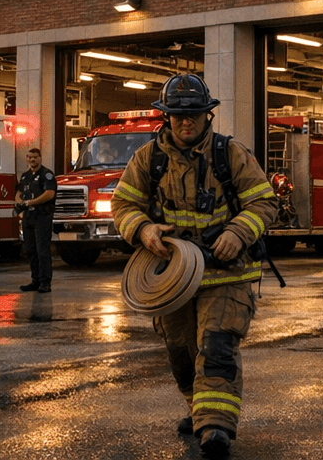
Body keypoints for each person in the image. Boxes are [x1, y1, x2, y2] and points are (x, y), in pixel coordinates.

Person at [112, 73, 278, 459]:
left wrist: (238, 232)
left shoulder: (230, 154)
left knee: (217, 346)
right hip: (174, 279)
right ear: (166, 117)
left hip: (227, 273)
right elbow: (122, 206)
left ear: (208, 115)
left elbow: (265, 202)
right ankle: (198, 407)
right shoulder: (147, 159)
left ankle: (216, 428)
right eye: (177, 116)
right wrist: (144, 229)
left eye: (195, 115)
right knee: (181, 353)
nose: (186, 122)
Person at [16, 147, 57, 292]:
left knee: (42, 251)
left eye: (35, 157)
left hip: (42, 216)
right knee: (30, 250)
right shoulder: (25, 176)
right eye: (29, 157)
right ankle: (35, 280)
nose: (32, 160)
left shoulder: (47, 175)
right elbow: (19, 192)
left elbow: (49, 194)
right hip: (28, 217)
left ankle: (45, 282)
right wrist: (20, 203)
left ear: (40, 158)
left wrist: (31, 202)